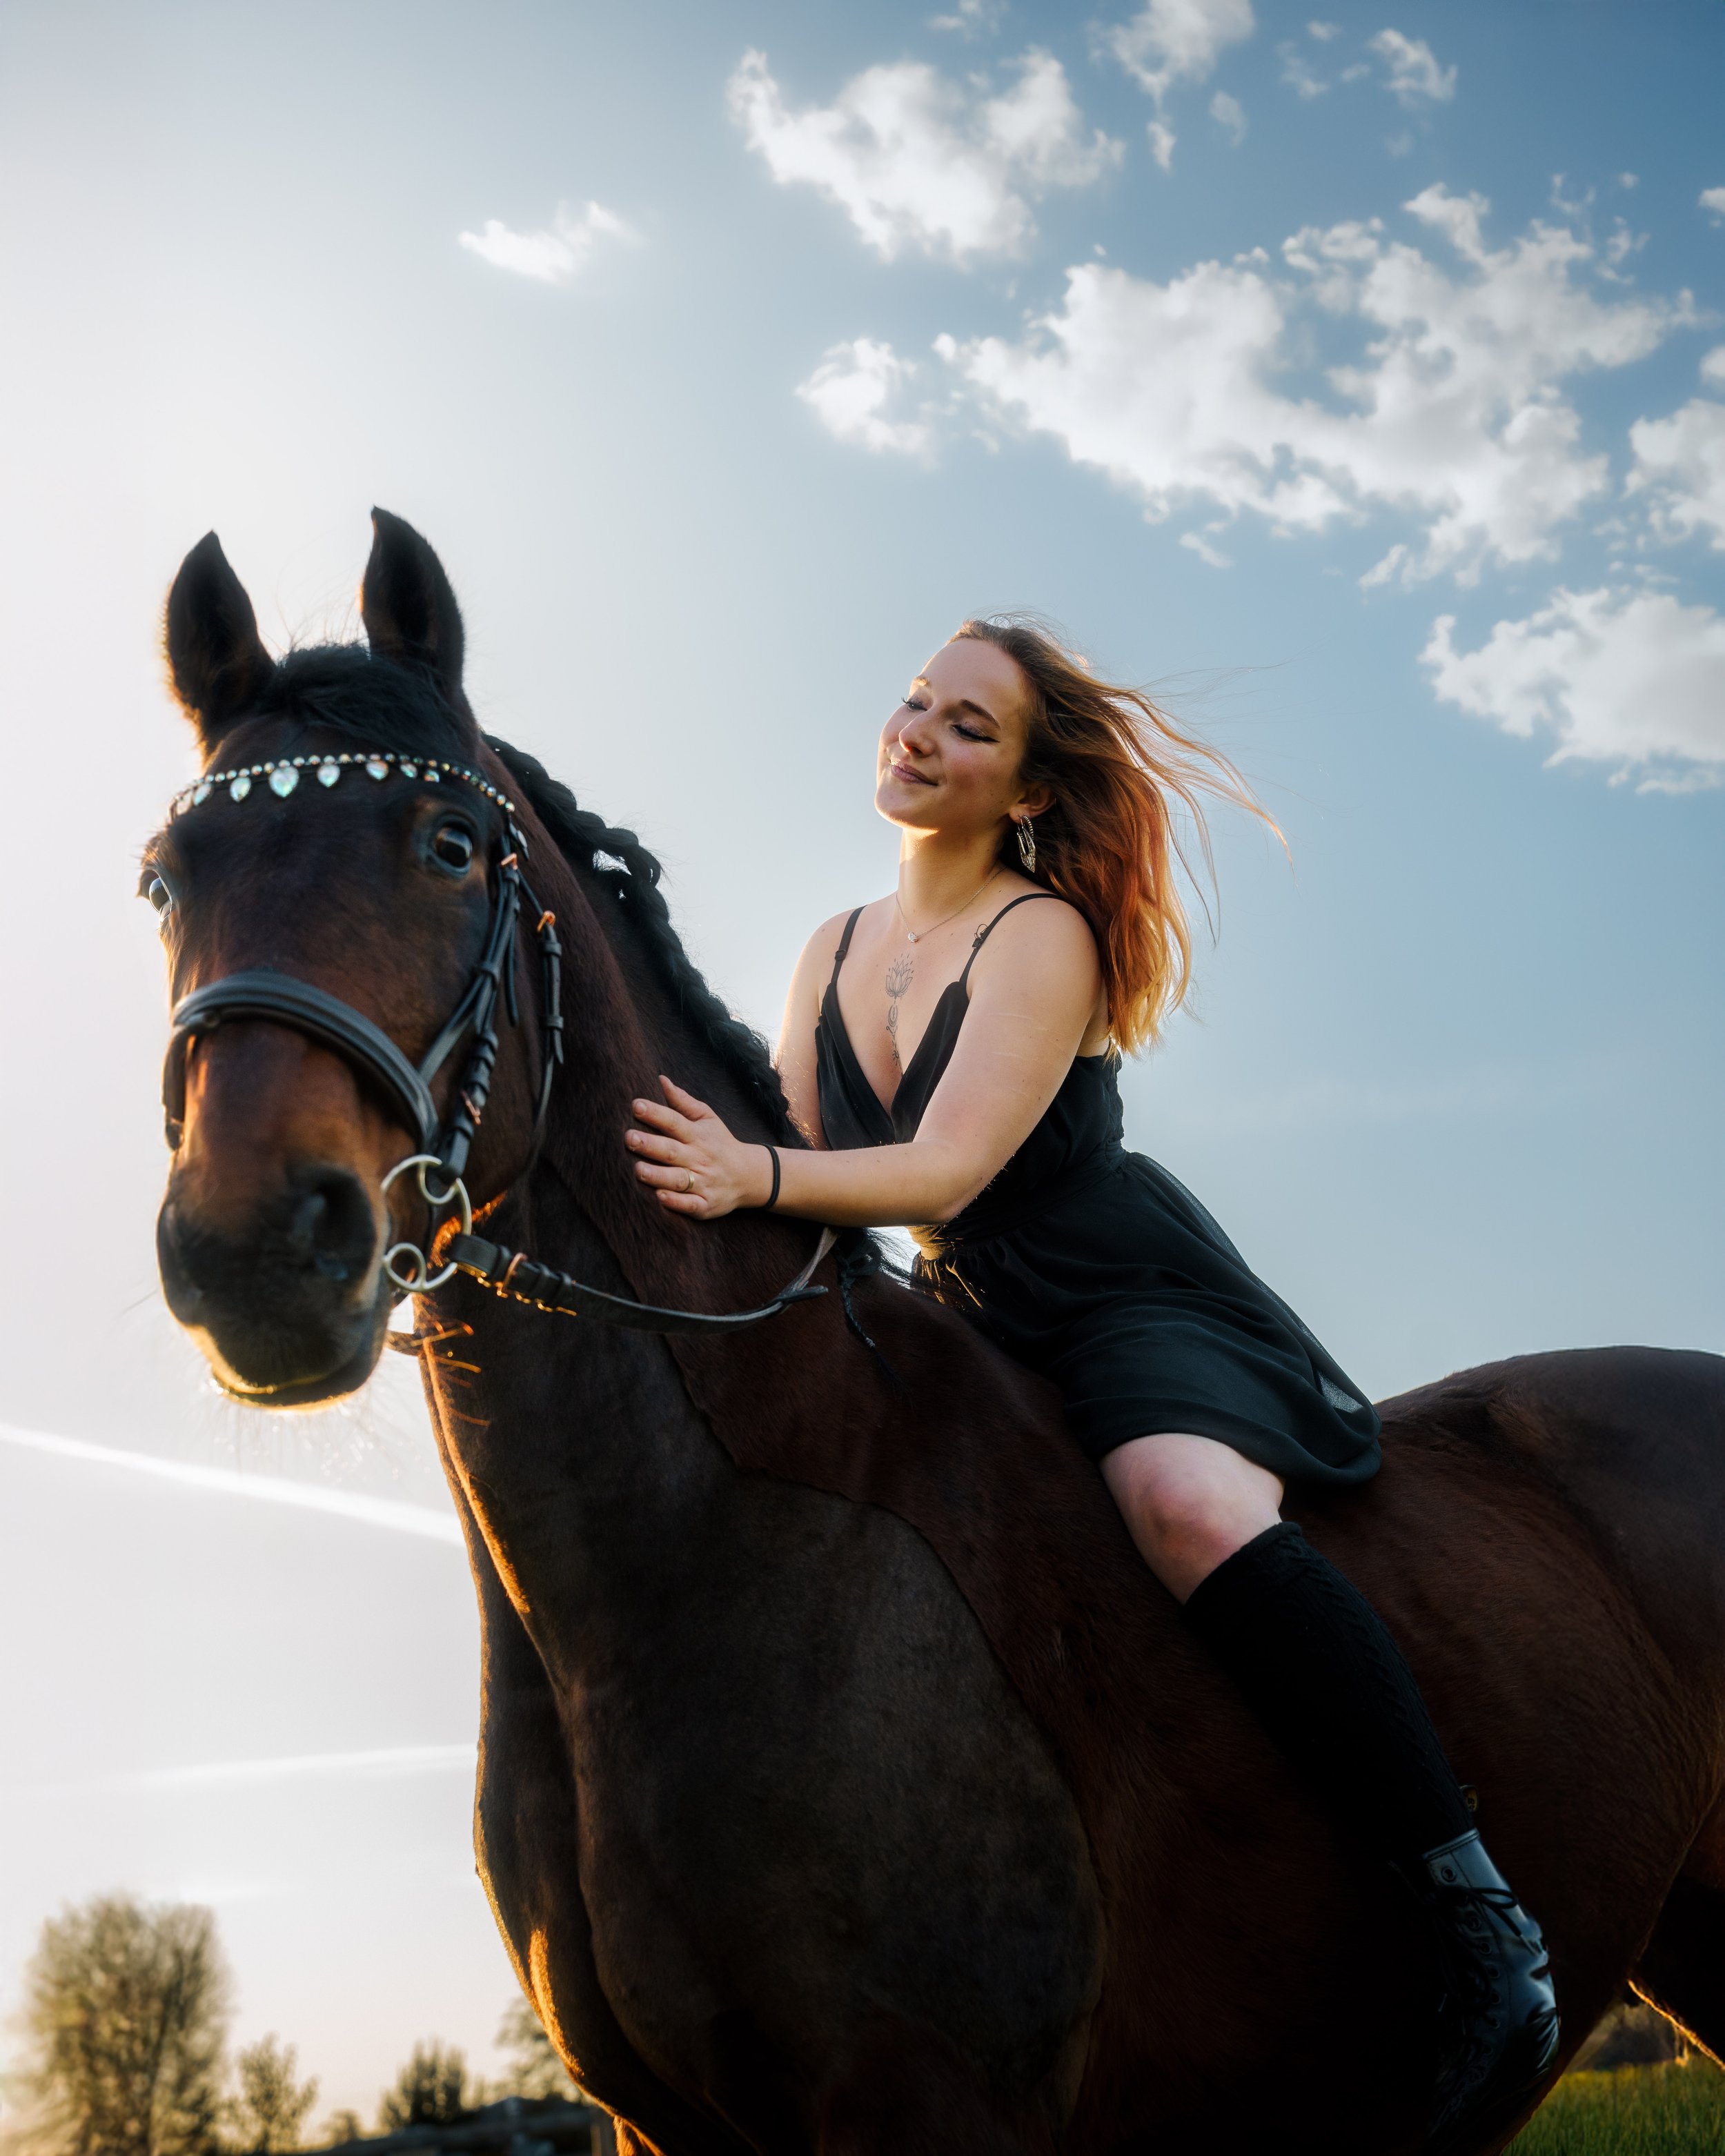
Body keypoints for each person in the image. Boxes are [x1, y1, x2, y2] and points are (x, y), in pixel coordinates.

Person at [622, 616, 1559, 2145]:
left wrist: (749, 1172)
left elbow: (936, 1162)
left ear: (1026, 790)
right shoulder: (830, 946)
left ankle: (1477, 1920)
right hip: (966, 1305)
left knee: (1181, 1506)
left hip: (1116, 1288)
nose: (916, 733)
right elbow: (802, 1171)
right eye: (914, 702)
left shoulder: (1037, 933)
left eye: (967, 727)